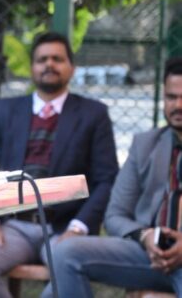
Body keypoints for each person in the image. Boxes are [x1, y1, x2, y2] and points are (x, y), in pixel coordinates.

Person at [0, 31, 119, 298]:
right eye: (42, 60)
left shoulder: (93, 114)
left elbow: (106, 180)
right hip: (14, 225)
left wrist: (78, 228)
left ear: (72, 68)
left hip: (65, 227)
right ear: (32, 68)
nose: (49, 64)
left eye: (57, 59)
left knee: (69, 270)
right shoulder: (5, 110)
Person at [46, 57, 182, 297]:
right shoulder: (145, 145)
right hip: (147, 254)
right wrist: (145, 236)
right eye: (171, 97)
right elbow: (115, 215)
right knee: (66, 252)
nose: (178, 105)